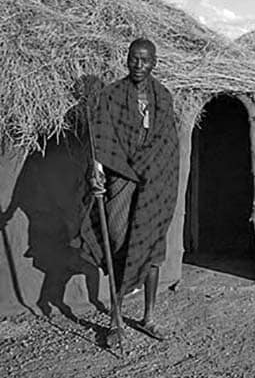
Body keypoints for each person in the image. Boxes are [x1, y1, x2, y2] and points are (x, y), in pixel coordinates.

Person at [77, 38, 179, 346]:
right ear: (126, 59)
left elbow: (167, 143)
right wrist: (96, 170)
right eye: (134, 59)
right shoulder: (112, 95)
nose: (138, 65)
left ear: (154, 63)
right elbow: (102, 137)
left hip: (155, 180)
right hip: (121, 175)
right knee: (119, 239)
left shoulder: (162, 96)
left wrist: (157, 173)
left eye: (145, 60)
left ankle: (148, 317)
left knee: (152, 246)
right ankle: (116, 317)